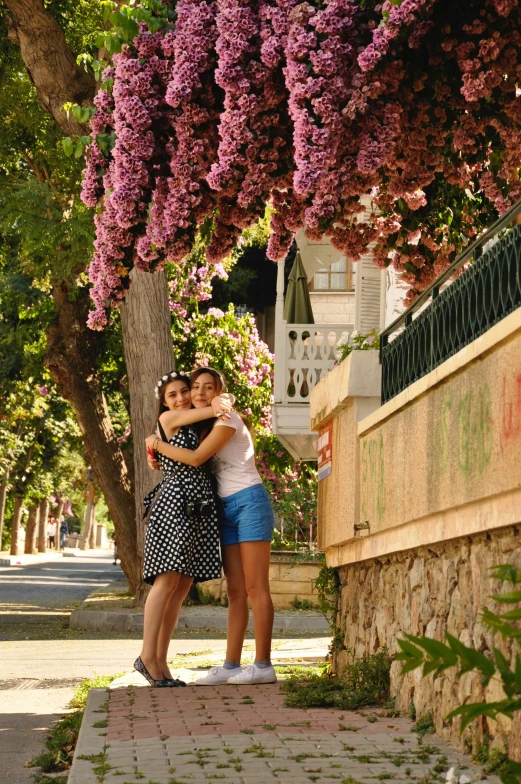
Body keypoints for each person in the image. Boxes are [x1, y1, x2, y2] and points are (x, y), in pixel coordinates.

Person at [146, 367, 276, 686]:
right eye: (195, 387)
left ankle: (262, 665)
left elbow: (196, 459)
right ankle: (231, 665)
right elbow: (180, 442)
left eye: (209, 387)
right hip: (224, 507)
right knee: (234, 591)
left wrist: (156, 444)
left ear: (219, 391)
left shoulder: (226, 419)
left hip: (248, 502)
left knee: (255, 587)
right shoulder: (206, 422)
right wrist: (156, 450)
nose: (200, 392)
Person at [135, 370, 232, 688]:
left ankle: (160, 662)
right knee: (165, 582)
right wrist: (222, 398)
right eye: (172, 395)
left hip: (198, 506)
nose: (180, 398)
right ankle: (147, 656)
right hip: (175, 503)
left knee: (180, 586)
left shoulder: (192, 423)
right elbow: (218, 407)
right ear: (164, 403)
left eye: (183, 392)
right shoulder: (171, 419)